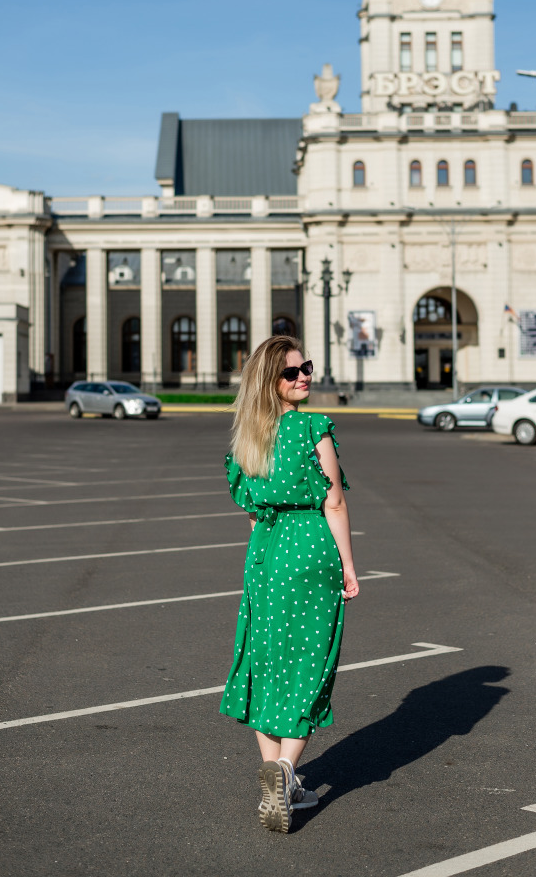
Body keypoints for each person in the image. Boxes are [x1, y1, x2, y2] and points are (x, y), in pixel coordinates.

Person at [220, 335, 359, 833]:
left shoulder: (246, 439)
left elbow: (253, 511)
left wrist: (261, 559)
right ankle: (284, 769)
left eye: (307, 368)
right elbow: (334, 502)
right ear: (270, 382)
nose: (304, 377)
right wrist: (347, 563)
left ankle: (278, 774)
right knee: (309, 662)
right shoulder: (312, 427)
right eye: (292, 372)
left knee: (266, 659)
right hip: (310, 548)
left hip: (266, 553)